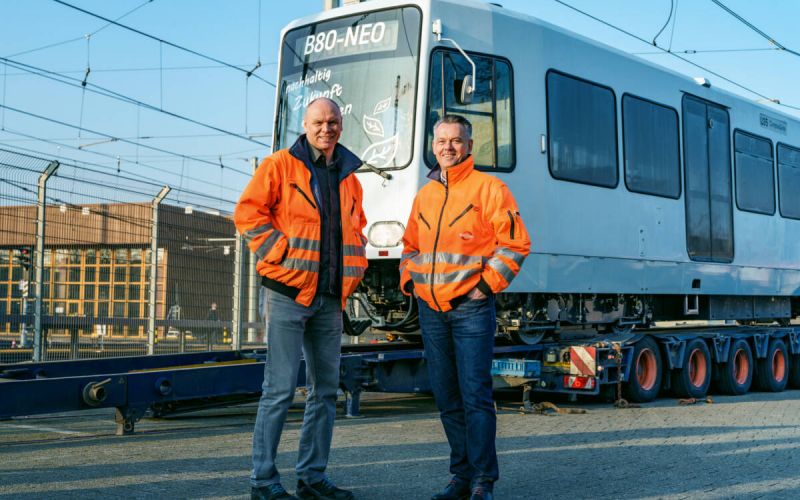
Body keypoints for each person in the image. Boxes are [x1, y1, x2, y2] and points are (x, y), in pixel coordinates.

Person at [234, 97, 368, 500]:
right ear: (305, 125)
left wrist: (355, 269)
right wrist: (282, 254)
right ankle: (263, 481)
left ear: (341, 125)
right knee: (278, 390)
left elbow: (356, 230)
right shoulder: (278, 166)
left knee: (325, 391)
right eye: (319, 122)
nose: (326, 128)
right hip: (288, 294)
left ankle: (312, 478)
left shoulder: (350, 177)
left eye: (333, 121)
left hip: (330, 299)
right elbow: (248, 214)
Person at [399, 115, 530, 500]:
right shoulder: (424, 195)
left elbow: (516, 244)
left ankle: (482, 480)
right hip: (432, 309)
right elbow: (410, 246)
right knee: (446, 395)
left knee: (475, 394)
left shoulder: (490, 188)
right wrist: (412, 282)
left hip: (471, 308)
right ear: (433, 146)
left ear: (470, 146)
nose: (448, 147)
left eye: (456, 141)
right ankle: (460, 476)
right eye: (441, 141)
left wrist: (485, 287)